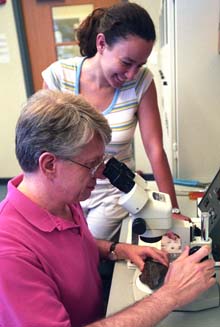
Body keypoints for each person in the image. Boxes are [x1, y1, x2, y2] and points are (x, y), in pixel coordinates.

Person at [0, 89, 216, 327]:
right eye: (91, 164)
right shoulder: (10, 256)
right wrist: (171, 294)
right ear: (50, 164)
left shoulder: (63, 198)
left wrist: (118, 249)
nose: (100, 175)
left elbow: (71, 246)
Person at [42, 2, 188, 242]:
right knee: (59, 249)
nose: (131, 74)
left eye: (139, 65)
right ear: (101, 44)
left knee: (85, 248)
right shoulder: (59, 76)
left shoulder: (142, 81)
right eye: (126, 62)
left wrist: (172, 211)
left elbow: (154, 148)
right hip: (66, 189)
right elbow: (44, 145)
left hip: (113, 194)